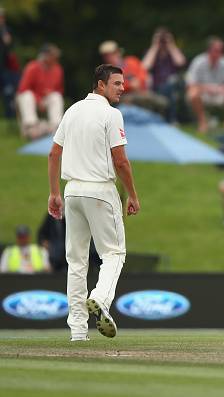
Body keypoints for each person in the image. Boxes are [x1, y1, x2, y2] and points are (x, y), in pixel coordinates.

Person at [47, 64, 141, 341]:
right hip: (100, 190)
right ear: (100, 85)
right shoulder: (111, 114)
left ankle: (77, 330)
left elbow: (54, 154)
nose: (122, 88)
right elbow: (121, 160)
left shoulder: (72, 110)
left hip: (72, 191)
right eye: (117, 83)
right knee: (114, 254)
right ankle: (100, 298)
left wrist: (54, 192)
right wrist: (133, 195)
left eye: (122, 83)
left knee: (76, 262)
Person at [99, 40, 167, 114]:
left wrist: (139, 81)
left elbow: (143, 74)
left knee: (162, 102)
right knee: (143, 101)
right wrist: (130, 85)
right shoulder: (106, 71)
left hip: (141, 92)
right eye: (106, 55)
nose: (110, 57)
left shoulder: (131, 61)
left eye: (112, 54)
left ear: (118, 52)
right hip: (123, 97)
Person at [16, 43, 63, 139]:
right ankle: (31, 126)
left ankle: (56, 127)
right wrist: (38, 100)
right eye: (53, 56)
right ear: (45, 56)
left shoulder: (58, 69)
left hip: (45, 99)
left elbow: (59, 90)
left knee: (56, 96)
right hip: (32, 98)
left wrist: (50, 92)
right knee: (26, 95)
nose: (55, 59)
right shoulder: (32, 67)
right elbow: (23, 88)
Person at [142, 27, 187, 122]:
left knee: (170, 84)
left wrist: (171, 45)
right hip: (156, 87)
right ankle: (172, 119)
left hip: (174, 86)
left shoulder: (173, 51)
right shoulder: (151, 52)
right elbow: (145, 66)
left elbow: (180, 62)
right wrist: (155, 46)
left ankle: (168, 118)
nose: (162, 42)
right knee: (168, 88)